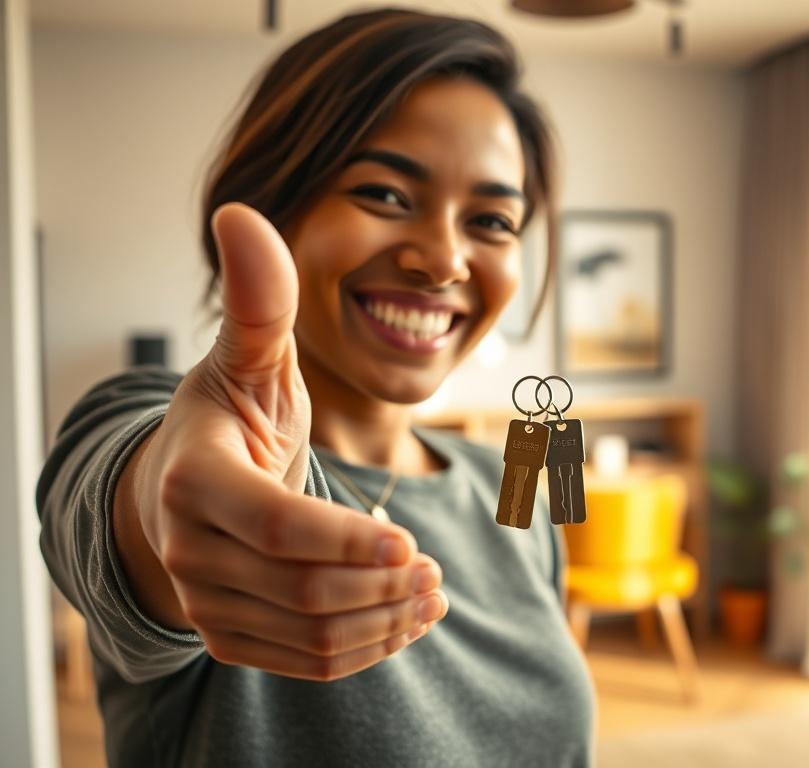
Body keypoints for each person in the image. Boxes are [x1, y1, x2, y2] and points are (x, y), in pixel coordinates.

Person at [36, 7, 596, 767]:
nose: (444, 261)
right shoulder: (175, 435)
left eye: (493, 220)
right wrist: (166, 514)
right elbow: (127, 495)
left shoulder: (514, 491)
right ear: (274, 205)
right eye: (385, 195)